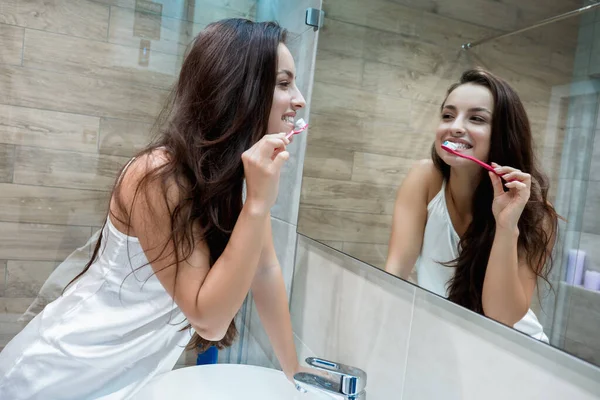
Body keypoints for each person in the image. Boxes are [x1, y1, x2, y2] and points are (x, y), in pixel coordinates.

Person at [0, 18, 307, 399]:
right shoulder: (156, 177)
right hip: (56, 375)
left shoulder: (230, 183)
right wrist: (259, 203)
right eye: (283, 83)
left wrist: (298, 377)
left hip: (122, 380)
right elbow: (209, 321)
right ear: (237, 89)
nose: (299, 99)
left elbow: (264, 270)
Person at [385, 68, 559, 342]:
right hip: (448, 344)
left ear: (504, 134)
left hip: (516, 351)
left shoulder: (535, 212)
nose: (455, 126)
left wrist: (506, 226)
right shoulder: (424, 178)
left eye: (476, 118)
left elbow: (501, 318)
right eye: (448, 115)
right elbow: (394, 274)